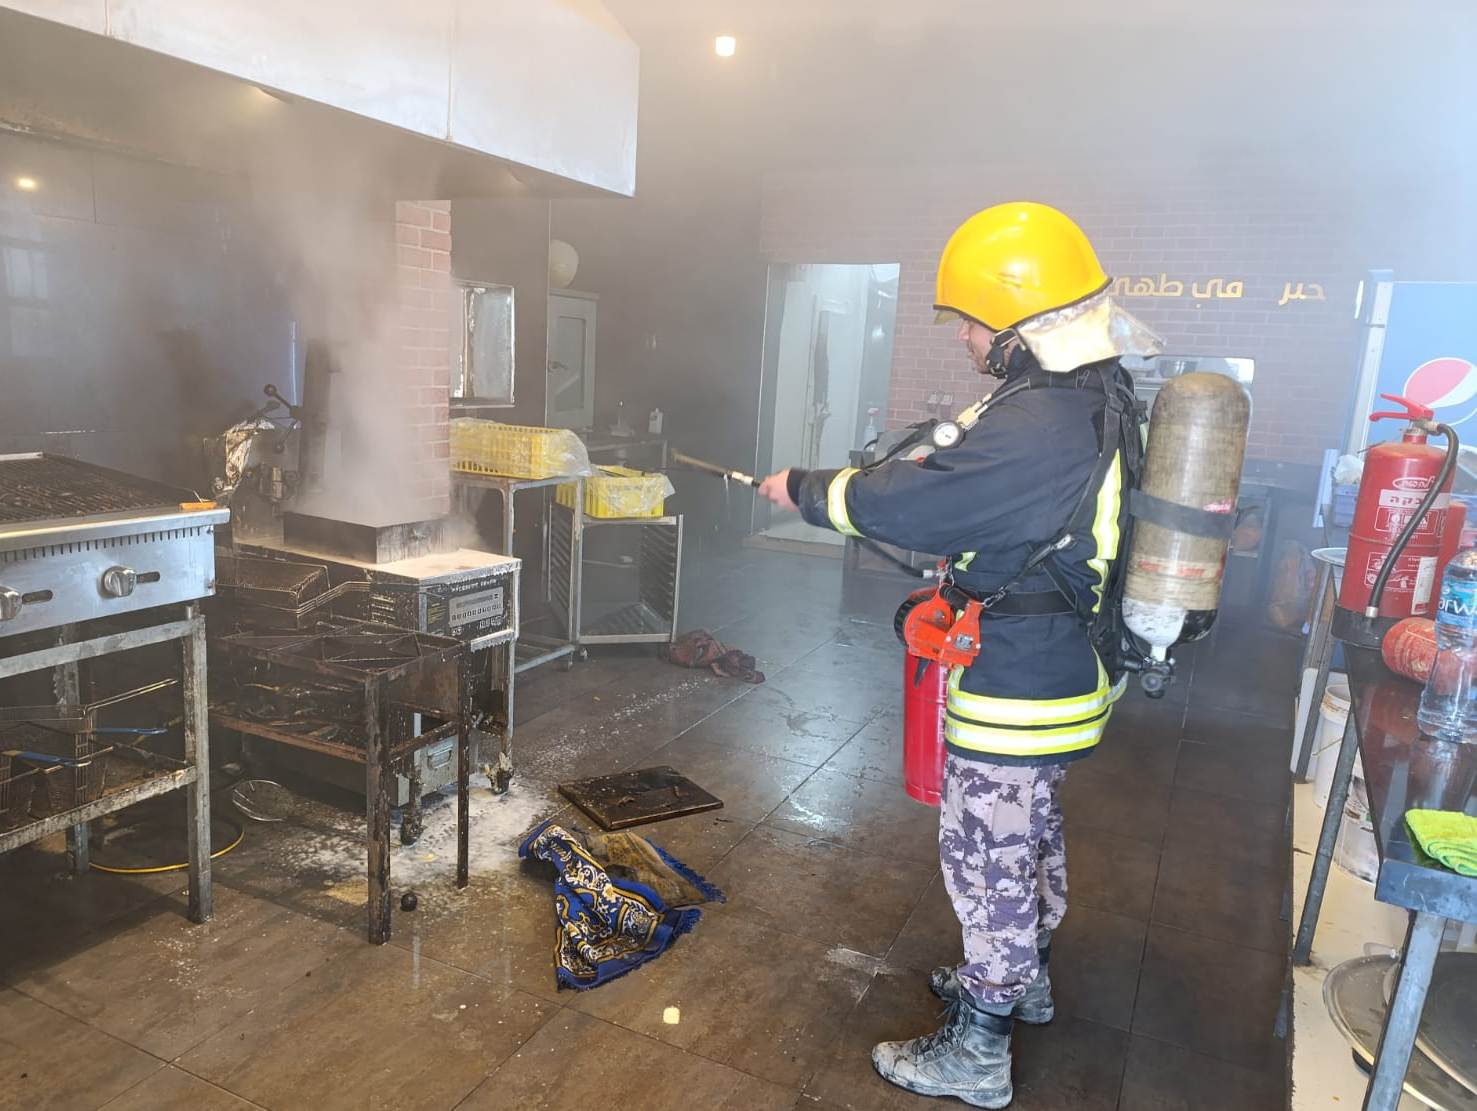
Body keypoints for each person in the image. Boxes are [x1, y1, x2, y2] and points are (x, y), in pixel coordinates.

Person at [758, 202, 1157, 1109]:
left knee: (986, 855)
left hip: (1022, 678)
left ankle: (979, 1048)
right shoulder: (1087, 394)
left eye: (973, 320)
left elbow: (925, 503)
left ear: (1018, 318)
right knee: (1029, 831)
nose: (965, 337)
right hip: (1058, 667)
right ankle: (1025, 978)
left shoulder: (1044, 419)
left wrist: (810, 490)